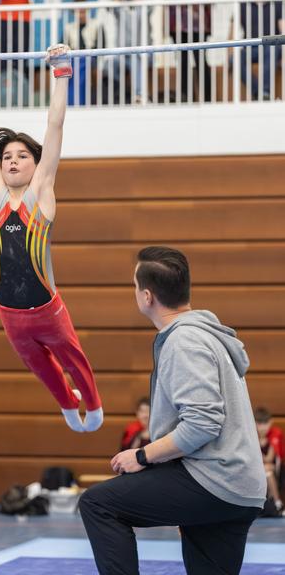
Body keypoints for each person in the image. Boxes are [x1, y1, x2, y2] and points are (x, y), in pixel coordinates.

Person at [79, 246, 266, 575]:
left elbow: (203, 424)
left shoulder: (185, 342)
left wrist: (141, 456)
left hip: (214, 480)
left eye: (135, 287)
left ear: (147, 296)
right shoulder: (207, 337)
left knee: (98, 504)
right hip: (240, 487)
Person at [0, 43, 102, 433]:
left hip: (47, 309)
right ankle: (67, 404)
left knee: (71, 358)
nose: (11, 160)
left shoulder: (40, 192)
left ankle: (92, 403)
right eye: (6, 155)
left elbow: (55, 127)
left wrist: (62, 71)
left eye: (22, 155)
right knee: (40, 367)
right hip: (8, 312)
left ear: (36, 164)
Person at [165, 0, 214, 102]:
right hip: (178, 26)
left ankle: (207, 97)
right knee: (183, 61)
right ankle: (186, 97)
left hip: (199, 26)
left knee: (201, 60)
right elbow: (167, 0)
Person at [238, 0, 285, 100]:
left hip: (272, 48)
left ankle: (265, 92)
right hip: (251, 48)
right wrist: (230, 51)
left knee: (272, 47)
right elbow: (233, 30)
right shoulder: (243, 6)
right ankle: (257, 92)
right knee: (234, 59)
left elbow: (283, 29)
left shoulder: (277, 4)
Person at [110, 0, 153, 104]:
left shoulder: (145, 1)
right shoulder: (119, 2)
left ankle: (138, 96)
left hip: (143, 53)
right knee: (109, 65)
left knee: (136, 58)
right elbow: (107, 8)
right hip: (122, 52)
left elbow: (151, 7)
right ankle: (115, 98)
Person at [63, 0, 106, 105]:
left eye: (83, 11)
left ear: (88, 11)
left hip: (91, 58)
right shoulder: (68, 27)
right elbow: (63, 46)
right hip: (72, 58)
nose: (81, 14)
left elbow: (102, 47)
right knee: (68, 67)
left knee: (81, 62)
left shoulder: (97, 25)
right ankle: (72, 101)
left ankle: (76, 103)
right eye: (78, 11)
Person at [254, 406, 284, 514]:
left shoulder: (275, 433)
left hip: (274, 470)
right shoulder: (252, 436)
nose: (263, 427)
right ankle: (276, 502)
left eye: (265, 423)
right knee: (266, 471)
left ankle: (277, 503)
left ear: (270, 422)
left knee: (268, 471)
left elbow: (269, 459)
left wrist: (257, 446)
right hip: (257, 470)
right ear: (255, 423)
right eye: (260, 424)